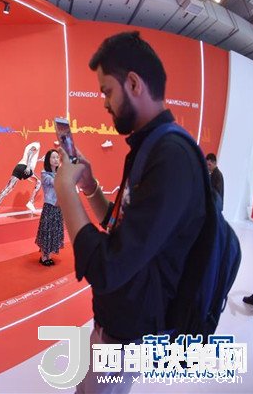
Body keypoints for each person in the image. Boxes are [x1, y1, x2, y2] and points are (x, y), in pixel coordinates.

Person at [54, 31, 206, 393]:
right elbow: (121, 229)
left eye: (107, 91)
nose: (105, 103)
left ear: (134, 83)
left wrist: (64, 191)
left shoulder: (170, 157)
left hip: (130, 331)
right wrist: (88, 186)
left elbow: (106, 267)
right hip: (117, 319)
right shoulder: (149, 148)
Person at [0, 141, 42, 219]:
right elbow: (30, 152)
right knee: (39, 182)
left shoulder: (28, 145)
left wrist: (39, 159)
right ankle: (31, 202)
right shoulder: (37, 144)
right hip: (25, 168)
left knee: (8, 188)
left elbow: (29, 156)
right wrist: (28, 167)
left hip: (18, 167)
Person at [36, 149, 64, 266]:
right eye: (53, 157)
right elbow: (56, 183)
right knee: (46, 231)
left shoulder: (60, 173)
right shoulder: (45, 174)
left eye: (57, 157)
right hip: (50, 206)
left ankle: (49, 256)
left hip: (59, 206)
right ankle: (44, 257)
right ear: (48, 160)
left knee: (55, 232)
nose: (56, 159)